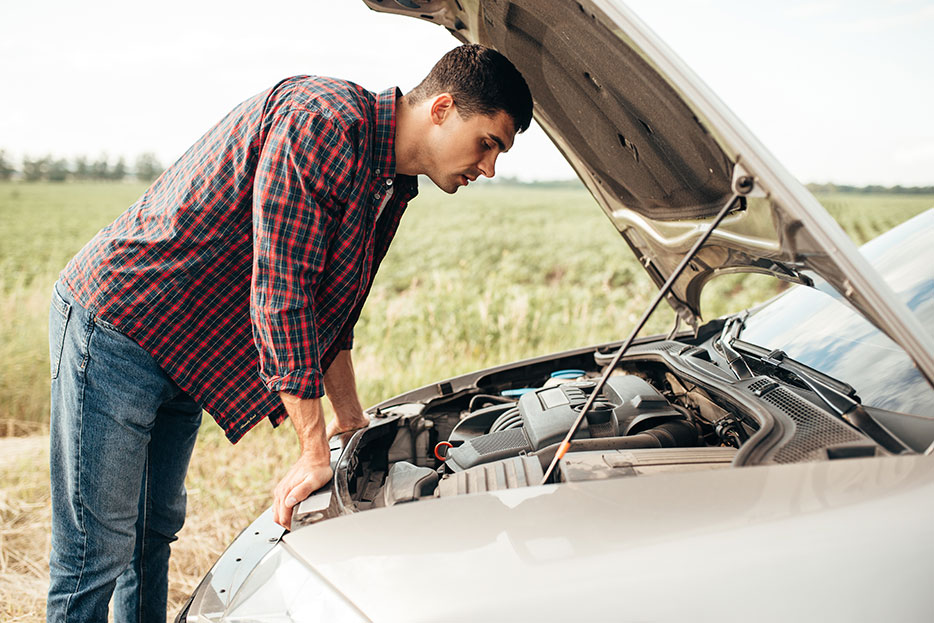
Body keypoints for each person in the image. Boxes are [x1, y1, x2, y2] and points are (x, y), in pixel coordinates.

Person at [47, 43, 532, 622]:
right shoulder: (323, 122)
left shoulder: (390, 183)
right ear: (443, 108)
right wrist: (310, 451)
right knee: (94, 553)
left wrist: (350, 424)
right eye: (487, 143)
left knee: (151, 535)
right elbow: (284, 291)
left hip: (185, 348)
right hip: (122, 323)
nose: (489, 168)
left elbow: (332, 312)